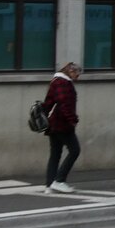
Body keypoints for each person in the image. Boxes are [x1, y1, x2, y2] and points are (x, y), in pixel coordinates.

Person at [43, 62, 81, 194]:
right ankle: (59, 180)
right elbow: (64, 104)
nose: (78, 77)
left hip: (53, 124)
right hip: (61, 124)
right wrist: (73, 120)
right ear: (70, 71)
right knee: (75, 150)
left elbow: (49, 103)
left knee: (55, 154)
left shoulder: (56, 81)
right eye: (77, 73)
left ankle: (50, 185)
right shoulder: (63, 83)